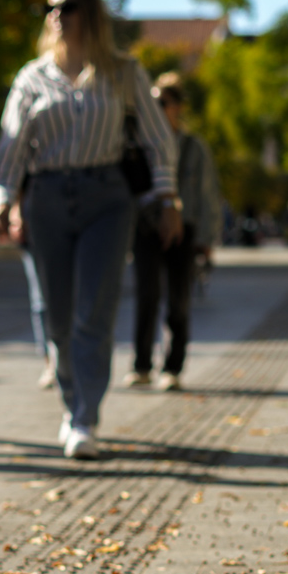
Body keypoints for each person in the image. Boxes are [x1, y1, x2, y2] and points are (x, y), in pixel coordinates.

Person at [0, 0, 179, 460]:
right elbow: (11, 149)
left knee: (94, 310)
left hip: (106, 197)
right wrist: (1, 200)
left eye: (68, 6)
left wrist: (168, 199)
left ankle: (83, 418)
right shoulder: (31, 77)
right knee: (56, 316)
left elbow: (159, 140)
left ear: (90, 14)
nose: (57, 15)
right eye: (50, 7)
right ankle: (70, 397)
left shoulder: (123, 72)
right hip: (48, 198)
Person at [125, 72, 221, 393]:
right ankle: (141, 365)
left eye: (162, 103)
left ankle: (173, 366)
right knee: (146, 295)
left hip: (184, 228)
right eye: (151, 104)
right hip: (146, 226)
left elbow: (208, 195)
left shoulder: (194, 147)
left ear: (178, 106)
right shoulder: (140, 145)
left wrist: (207, 239)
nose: (156, 109)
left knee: (178, 300)